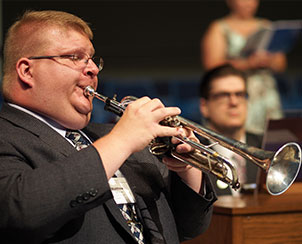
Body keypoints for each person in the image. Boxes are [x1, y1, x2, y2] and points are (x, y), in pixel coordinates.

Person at [0, 10, 216, 244]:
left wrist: (187, 170)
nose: (92, 69)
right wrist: (122, 140)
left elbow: (190, 227)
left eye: (92, 59)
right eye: (74, 57)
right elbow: (19, 211)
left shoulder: (110, 137)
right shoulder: (8, 134)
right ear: (27, 71)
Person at [201, 0, 286, 135]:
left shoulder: (266, 25)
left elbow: (281, 64)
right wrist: (248, 63)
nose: (249, 3)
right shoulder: (219, 27)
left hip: (266, 93)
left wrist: (268, 60)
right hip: (236, 91)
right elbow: (211, 65)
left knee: (273, 137)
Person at [199, 64, 263, 196]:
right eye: (223, 95)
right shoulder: (192, 153)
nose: (234, 102)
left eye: (240, 94)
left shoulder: (266, 146)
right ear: (204, 106)